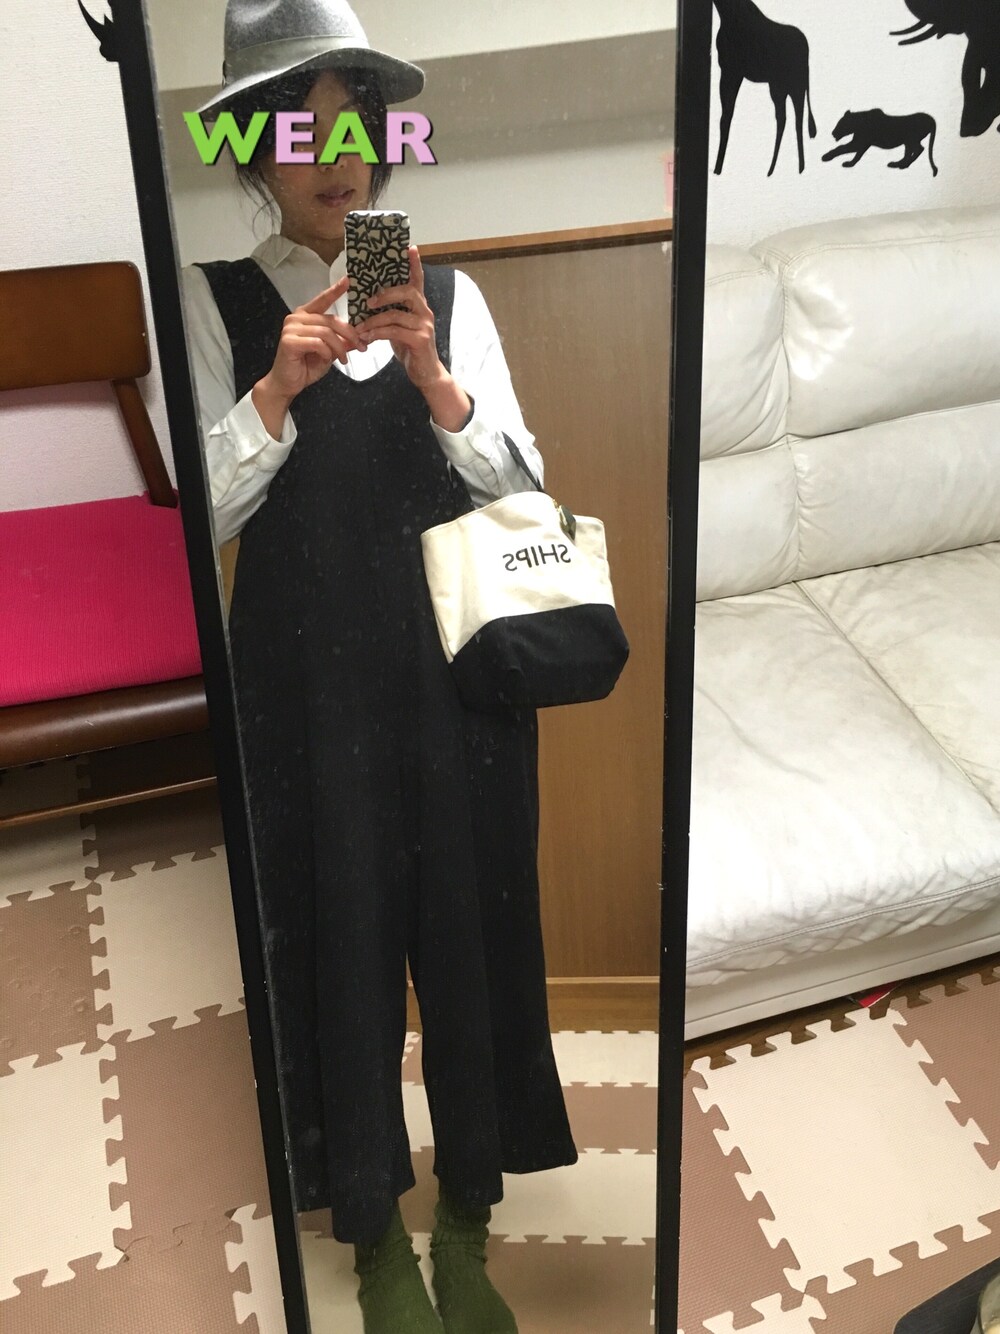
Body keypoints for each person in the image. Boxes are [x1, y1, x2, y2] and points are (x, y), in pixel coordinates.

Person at [180, 2, 578, 1331]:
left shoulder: (448, 299)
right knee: (336, 948)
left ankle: (467, 1220)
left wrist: (434, 378)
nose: (335, 157)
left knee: (473, 941)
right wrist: (274, 394)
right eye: (299, 132)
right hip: (306, 696)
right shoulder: (215, 303)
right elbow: (197, 523)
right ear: (253, 150)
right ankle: (373, 1238)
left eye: (354, 127)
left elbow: (526, 497)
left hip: (459, 683)